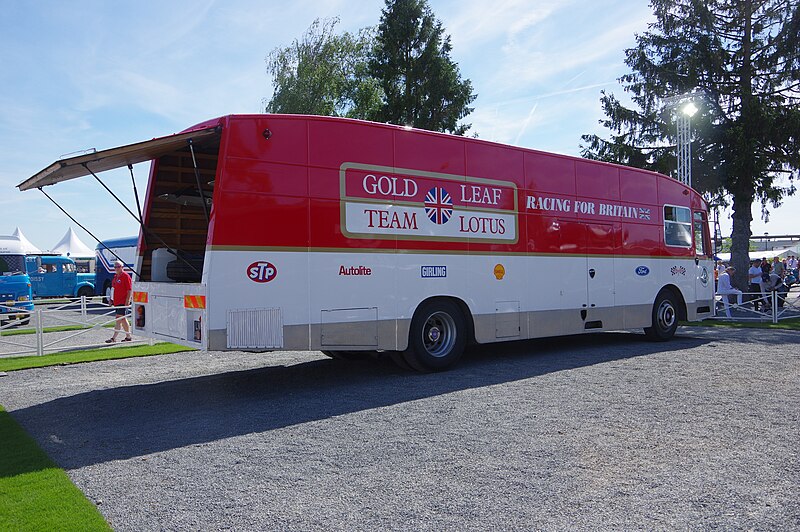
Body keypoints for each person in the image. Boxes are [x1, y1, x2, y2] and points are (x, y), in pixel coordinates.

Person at [106, 260, 132, 343]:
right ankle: (128, 336)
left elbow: (129, 290)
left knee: (118, 318)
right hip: (116, 301)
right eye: (115, 267)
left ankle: (113, 338)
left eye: (118, 267)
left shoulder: (125, 276)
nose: (116, 268)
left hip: (123, 301)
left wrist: (128, 300)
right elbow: (113, 289)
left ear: (122, 267)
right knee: (123, 319)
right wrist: (111, 299)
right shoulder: (115, 277)